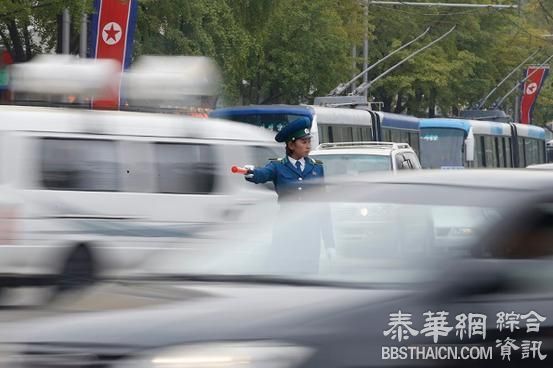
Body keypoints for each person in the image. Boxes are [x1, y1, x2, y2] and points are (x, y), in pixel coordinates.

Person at [240, 117, 336, 273]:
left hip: (310, 234)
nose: (308, 146)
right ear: (291, 145)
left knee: (308, 276)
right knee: (284, 274)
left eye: (308, 141)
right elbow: (262, 174)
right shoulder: (278, 166)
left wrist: (329, 243)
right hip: (286, 231)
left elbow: (323, 206)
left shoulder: (317, 168)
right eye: (303, 142)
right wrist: (250, 172)